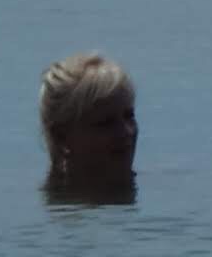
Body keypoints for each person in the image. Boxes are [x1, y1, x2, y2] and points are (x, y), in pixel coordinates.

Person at [37, 52, 138, 203]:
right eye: (106, 123)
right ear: (61, 136)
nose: (126, 132)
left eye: (129, 116)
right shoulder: (68, 216)